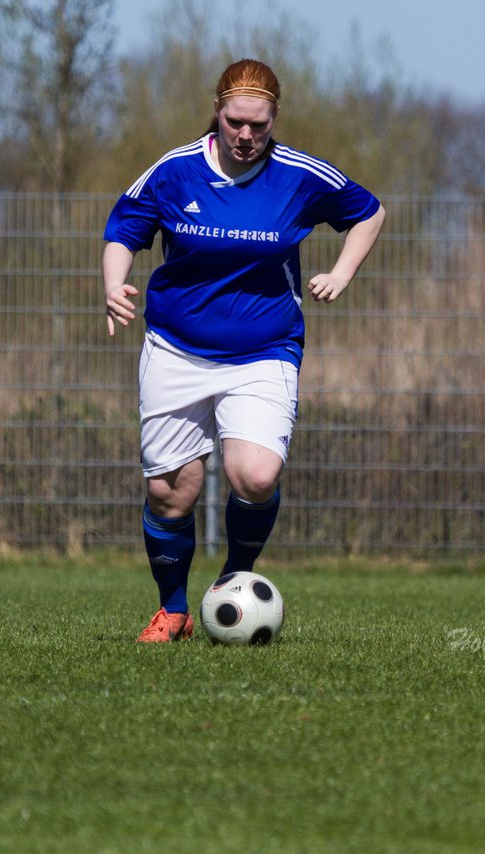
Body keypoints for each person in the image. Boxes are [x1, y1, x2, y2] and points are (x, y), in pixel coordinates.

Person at [102, 58, 386, 642]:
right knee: (170, 489)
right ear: (217, 112)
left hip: (264, 350)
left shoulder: (299, 176)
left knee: (254, 475)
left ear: (274, 118)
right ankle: (173, 608)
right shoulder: (176, 171)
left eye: (258, 124)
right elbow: (124, 230)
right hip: (176, 348)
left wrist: (342, 271)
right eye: (236, 122)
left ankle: (235, 580)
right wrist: (114, 285)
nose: (246, 135)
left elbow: (369, 212)